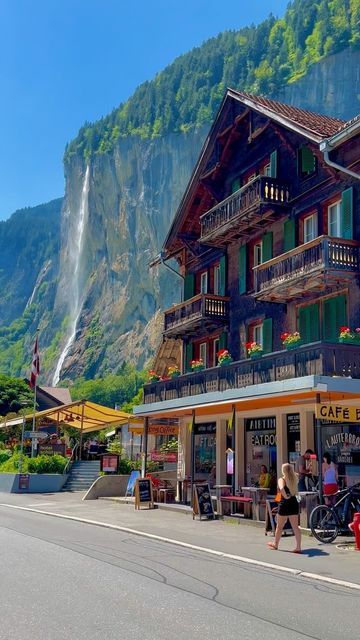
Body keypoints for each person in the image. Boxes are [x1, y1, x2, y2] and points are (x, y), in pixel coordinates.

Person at [267, 463, 301, 553]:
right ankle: (298, 546)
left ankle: (276, 544)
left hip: (284, 503)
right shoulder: (294, 478)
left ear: (283, 470)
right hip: (294, 502)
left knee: (280, 526)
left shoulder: (281, 479)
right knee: (295, 527)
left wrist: (285, 496)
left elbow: (281, 489)